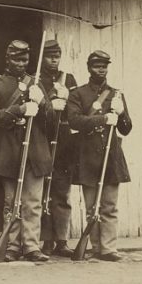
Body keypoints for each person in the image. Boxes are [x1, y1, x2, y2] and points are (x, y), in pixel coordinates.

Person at [0, 39, 57, 262]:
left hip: (35, 152)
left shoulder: (36, 84)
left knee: (33, 203)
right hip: (10, 151)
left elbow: (52, 122)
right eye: (16, 59)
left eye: (24, 59)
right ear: (8, 59)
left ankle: (32, 247)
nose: (21, 64)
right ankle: (12, 246)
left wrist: (43, 103)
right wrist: (20, 109)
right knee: (11, 202)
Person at [67, 50, 133, 262]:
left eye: (104, 65)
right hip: (87, 156)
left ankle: (109, 249)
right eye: (97, 66)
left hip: (111, 156)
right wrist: (103, 119)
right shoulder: (77, 94)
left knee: (110, 206)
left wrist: (121, 113)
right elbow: (75, 121)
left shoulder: (116, 94)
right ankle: (96, 247)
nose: (101, 69)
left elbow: (126, 129)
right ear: (89, 68)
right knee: (91, 207)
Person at [38, 39, 79, 258]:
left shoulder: (68, 79)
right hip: (43, 138)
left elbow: (77, 109)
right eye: (49, 55)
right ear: (42, 57)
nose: (54, 59)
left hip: (63, 141)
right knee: (43, 191)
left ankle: (62, 240)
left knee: (61, 192)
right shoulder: (36, 80)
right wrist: (51, 100)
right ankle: (46, 240)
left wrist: (68, 97)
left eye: (57, 55)